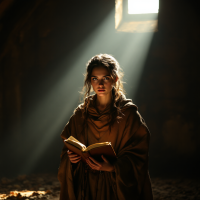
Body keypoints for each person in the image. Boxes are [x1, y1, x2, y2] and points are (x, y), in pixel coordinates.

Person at [58, 54, 153, 200]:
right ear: (90, 81)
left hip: (114, 187)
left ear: (115, 79)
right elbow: (67, 149)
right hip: (86, 186)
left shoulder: (128, 114)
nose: (100, 84)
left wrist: (113, 167)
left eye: (106, 78)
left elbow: (139, 154)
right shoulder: (80, 114)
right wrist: (70, 158)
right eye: (95, 79)